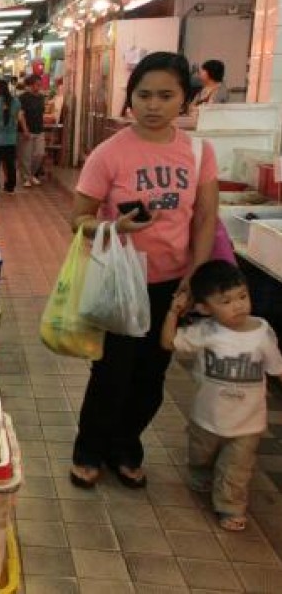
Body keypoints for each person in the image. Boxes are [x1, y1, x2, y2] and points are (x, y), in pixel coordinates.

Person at [68, 52, 220, 489]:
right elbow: (78, 220)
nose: (153, 105)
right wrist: (116, 226)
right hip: (120, 280)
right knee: (112, 372)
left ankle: (125, 446)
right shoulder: (109, 152)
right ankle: (89, 448)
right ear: (130, 98)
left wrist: (196, 275)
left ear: (185, 100)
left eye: (166, 95)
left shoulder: (197, 151)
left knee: (151, 376)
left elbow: (205, 217)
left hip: (173, 282)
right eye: (144, 95)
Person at [160, 260, 282, 531]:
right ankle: (200, 471)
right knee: (201, 453)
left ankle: (230, 506)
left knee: (237, 469)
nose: (238, 305)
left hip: (248, 422)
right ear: (204, 308)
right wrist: (173, 314)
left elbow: (276, 368)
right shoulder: (205, 332)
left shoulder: (263, 332)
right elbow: (169, 343)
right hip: (208, 417)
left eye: (242, 296)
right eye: (225, 301)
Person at [18, 74, 46, 187]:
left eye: (40, 85)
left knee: (39, 154)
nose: (38, 87)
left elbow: (41, 112)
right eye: (36, 85)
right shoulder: (23, 98)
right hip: (26, 130)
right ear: (30, 85)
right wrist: (25, 129)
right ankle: (26, 177)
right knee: (26, 156)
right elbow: (20, 114)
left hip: (39, 129)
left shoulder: (41, 97)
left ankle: (32, 174)